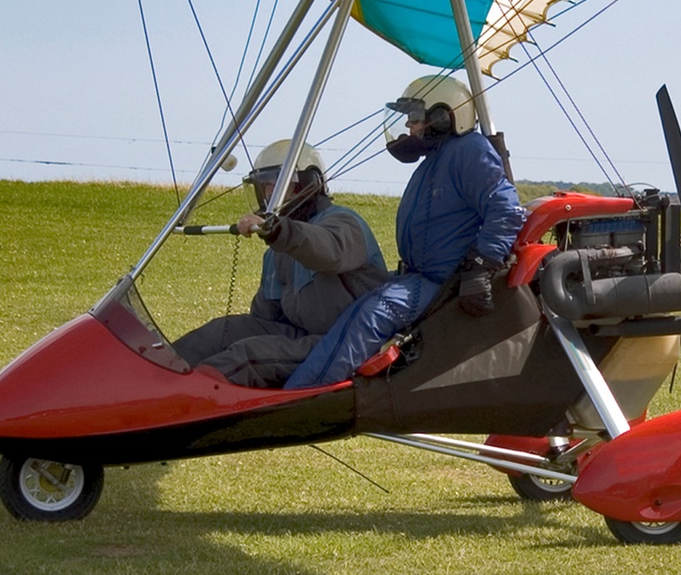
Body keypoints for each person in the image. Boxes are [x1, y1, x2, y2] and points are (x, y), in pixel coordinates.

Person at [282, 75, 525, 390]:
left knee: (370, 315)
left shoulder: (469, 150)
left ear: (442, 116)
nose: (409, 127)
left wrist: (481, 268)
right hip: (420, 278)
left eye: (415, 118)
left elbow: (506, 208)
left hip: (443, 282)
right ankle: (298, 385)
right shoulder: (436, 159)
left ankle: (305, 395)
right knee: (359, 310)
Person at [173, 140, 389, 388]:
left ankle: (188, 399)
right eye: (265, 186)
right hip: (301, 335)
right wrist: (281, 236)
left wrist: (281, 233)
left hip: (345, 340)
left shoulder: (343, 222)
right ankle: (151, 377)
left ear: (308, 183)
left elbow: (327, 250)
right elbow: (265, 318)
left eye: (279, 183)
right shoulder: (279, 251)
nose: (269, 194)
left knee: (247, 356)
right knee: (221, 331)